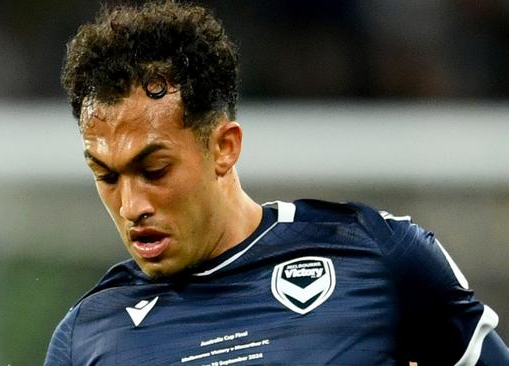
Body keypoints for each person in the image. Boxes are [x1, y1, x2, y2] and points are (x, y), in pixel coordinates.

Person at [44, 1, 508, 365]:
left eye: (155, 171)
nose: (131, 205)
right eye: (105, 175)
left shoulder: (375, 256)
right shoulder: (86, 338)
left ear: (223, 147)